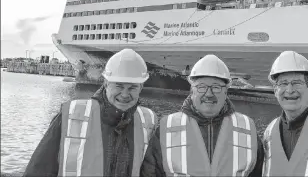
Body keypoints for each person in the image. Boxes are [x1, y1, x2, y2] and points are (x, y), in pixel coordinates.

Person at [23, 49, 158, 177]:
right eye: (119, 86)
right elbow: (39, 169)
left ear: (141, 87)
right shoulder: (71, 115)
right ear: (106, 83)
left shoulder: (148, 122)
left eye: (132, 87)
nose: (124, 94)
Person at [140, 54, 264, 176]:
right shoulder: (166, 127)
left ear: (226, 91)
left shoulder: (248, 128)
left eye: (216, 87)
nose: (209, 94)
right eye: (201, 87)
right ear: (192, 90)